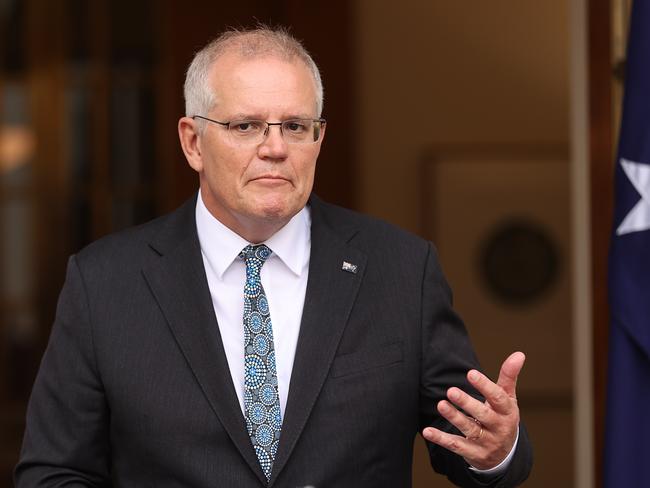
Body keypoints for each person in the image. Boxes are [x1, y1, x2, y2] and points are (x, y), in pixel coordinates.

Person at [15, 26, 532, 487]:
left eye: (295, 126)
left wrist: (496, 451)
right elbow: (55, 472)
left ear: (319, 139)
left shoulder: (401, 269)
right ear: (193, 142)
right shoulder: (105, 282)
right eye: (245, 126)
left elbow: (464, 439)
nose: (275, 148)